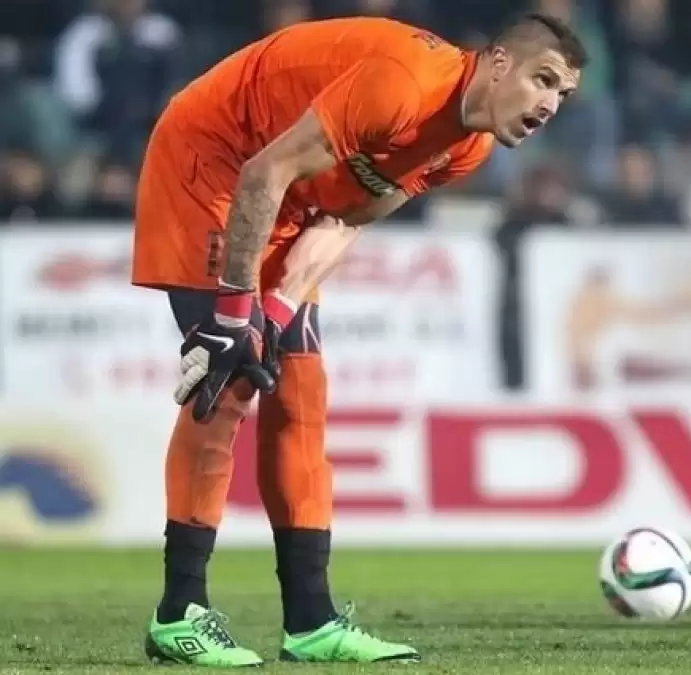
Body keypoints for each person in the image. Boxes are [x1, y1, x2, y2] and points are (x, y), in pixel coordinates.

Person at [130, 13, 586, 667]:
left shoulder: (467, 148)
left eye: (562, 94)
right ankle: (179, 613)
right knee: (227, 380)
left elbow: (344, 219)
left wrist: (277, 308)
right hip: (214, 159)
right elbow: (263, 172)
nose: (550, 104)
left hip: (287, 196)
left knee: (300, 391)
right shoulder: (403, 84)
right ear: (496, 63)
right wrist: (233, 317)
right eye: (543, 79)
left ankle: (311, 622)